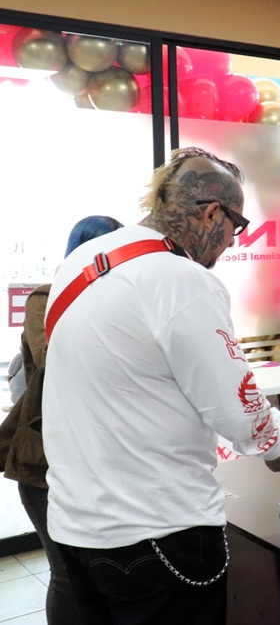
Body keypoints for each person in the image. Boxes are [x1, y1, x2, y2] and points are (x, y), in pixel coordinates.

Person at [41, 148, 280, 624]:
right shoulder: (180, 279)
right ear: (211, 214)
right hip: (160, 530)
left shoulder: (83, 260)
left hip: (76, 523)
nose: (228, 245)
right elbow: (239, 409)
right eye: (234, 229)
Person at [0, 215, 123, 625]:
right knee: (70, 576)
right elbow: (57, 361)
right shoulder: (46, 298)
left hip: (104, 460)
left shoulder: (123, 301)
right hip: (45, 463)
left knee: (105, 574)